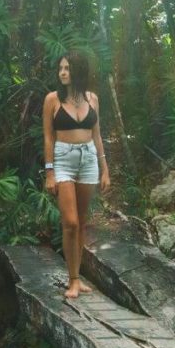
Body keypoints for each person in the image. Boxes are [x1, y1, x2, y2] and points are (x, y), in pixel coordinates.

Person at [42, 51, 110, 299]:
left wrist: (105, 169)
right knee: (69, 222)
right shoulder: (52, 100)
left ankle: (77, 278)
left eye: (67, 68)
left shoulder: (92, 98)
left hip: (89, 160)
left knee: (81, 222)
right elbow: (49, 137)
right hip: (63, 161)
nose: (62, 72)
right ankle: (71, 279)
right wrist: (49, 172)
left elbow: (97, 134)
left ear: (78, 71)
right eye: (60, 68)